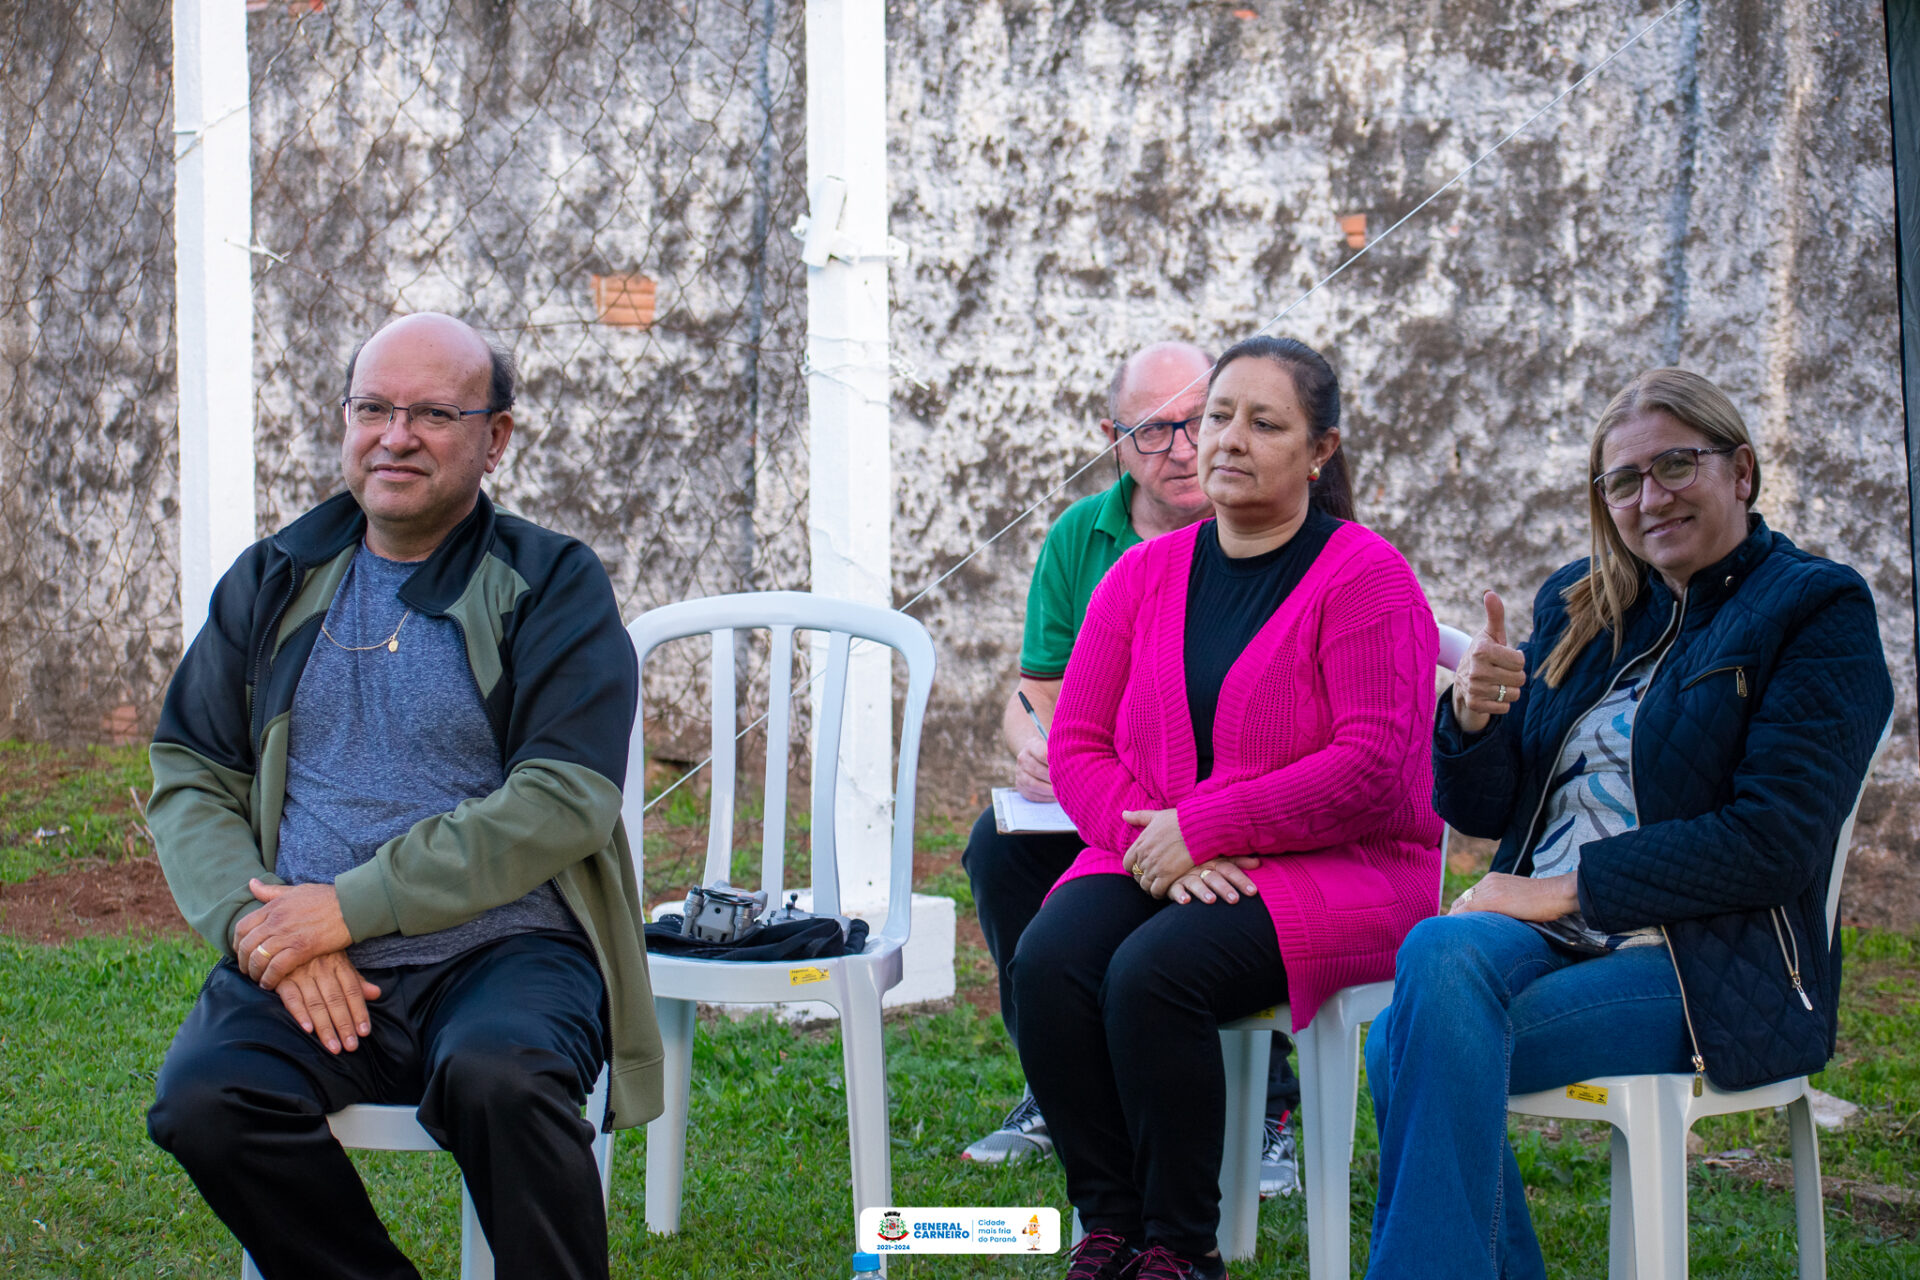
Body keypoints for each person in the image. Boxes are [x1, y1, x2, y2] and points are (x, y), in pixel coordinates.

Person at [144, 313, 660, 1280]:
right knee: (206, 1100)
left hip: (508, 949)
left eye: (433, 412)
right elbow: (190, 777)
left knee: (501, 1077)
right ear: (345, 421)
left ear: (494, 438)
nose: (396, 435)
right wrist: (269, 938)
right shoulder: (274, 578)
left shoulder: (551, 583)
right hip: (304, 950)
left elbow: (566, 798)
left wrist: (347, 907)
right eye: (373, 407)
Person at [1364, 368, 1892, 1279]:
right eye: (1623, 481)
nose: (1651, 498)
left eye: (1676, 465)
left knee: (1402, 1039)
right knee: (1434, 966)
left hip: (1705, 962)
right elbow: (1489, 810)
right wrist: (1473, 720)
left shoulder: (1815, 609)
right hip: (1546, 937)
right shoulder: (1582, 603)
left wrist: (1564, 888)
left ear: (1741, 471)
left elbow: (1775, 840)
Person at [1017, 336, 1443, 1280]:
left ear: (1320, 450)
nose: (1227, 439)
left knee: (1154, 974)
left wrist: (1204, 829)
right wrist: (1158, 839)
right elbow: (1078, 743)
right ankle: (1112, 1225)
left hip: (1345, 865)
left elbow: (1373, 766)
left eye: (1265, 422)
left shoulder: (1367, 576)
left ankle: (1180, 1247)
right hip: (1165, 847)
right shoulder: (1142, 575)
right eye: (1218, 416)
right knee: (1049, 960)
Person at [962, 342, 1304, 1196]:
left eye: (1202, 420)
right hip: (1108, 794)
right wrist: (1032, 746)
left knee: (1217, 907)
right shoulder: (1084, 535)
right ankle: (1059, 1081)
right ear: (1113, 439)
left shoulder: (1271, 530)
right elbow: (1035, 692)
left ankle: (1269, 1101)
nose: (1185, 448)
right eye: (1155, 431)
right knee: (998, 852)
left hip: (1221, 801)